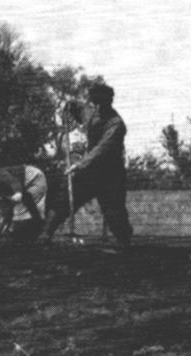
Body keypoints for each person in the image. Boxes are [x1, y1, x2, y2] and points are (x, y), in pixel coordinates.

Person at [42, 83, 133, 246]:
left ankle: (125, 243)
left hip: (110, 175)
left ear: (109, 101)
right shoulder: (91, 112)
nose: (97, 106)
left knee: (114, 211)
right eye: (95, 102)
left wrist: (80, 165)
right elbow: (80, 109)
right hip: (89, 173)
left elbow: (102, 149)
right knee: (64, 201)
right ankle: (45, 235)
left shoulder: (116, 124)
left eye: (101, 102)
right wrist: (70, 106)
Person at [0, 164, 47, 242]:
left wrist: (18, 192)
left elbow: (13, 180)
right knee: (22, 212)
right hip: (27, 182)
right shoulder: (0, 194)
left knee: (23, 212)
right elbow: (6, 213)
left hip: (32, 176)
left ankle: (38, 231)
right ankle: (36, 231)